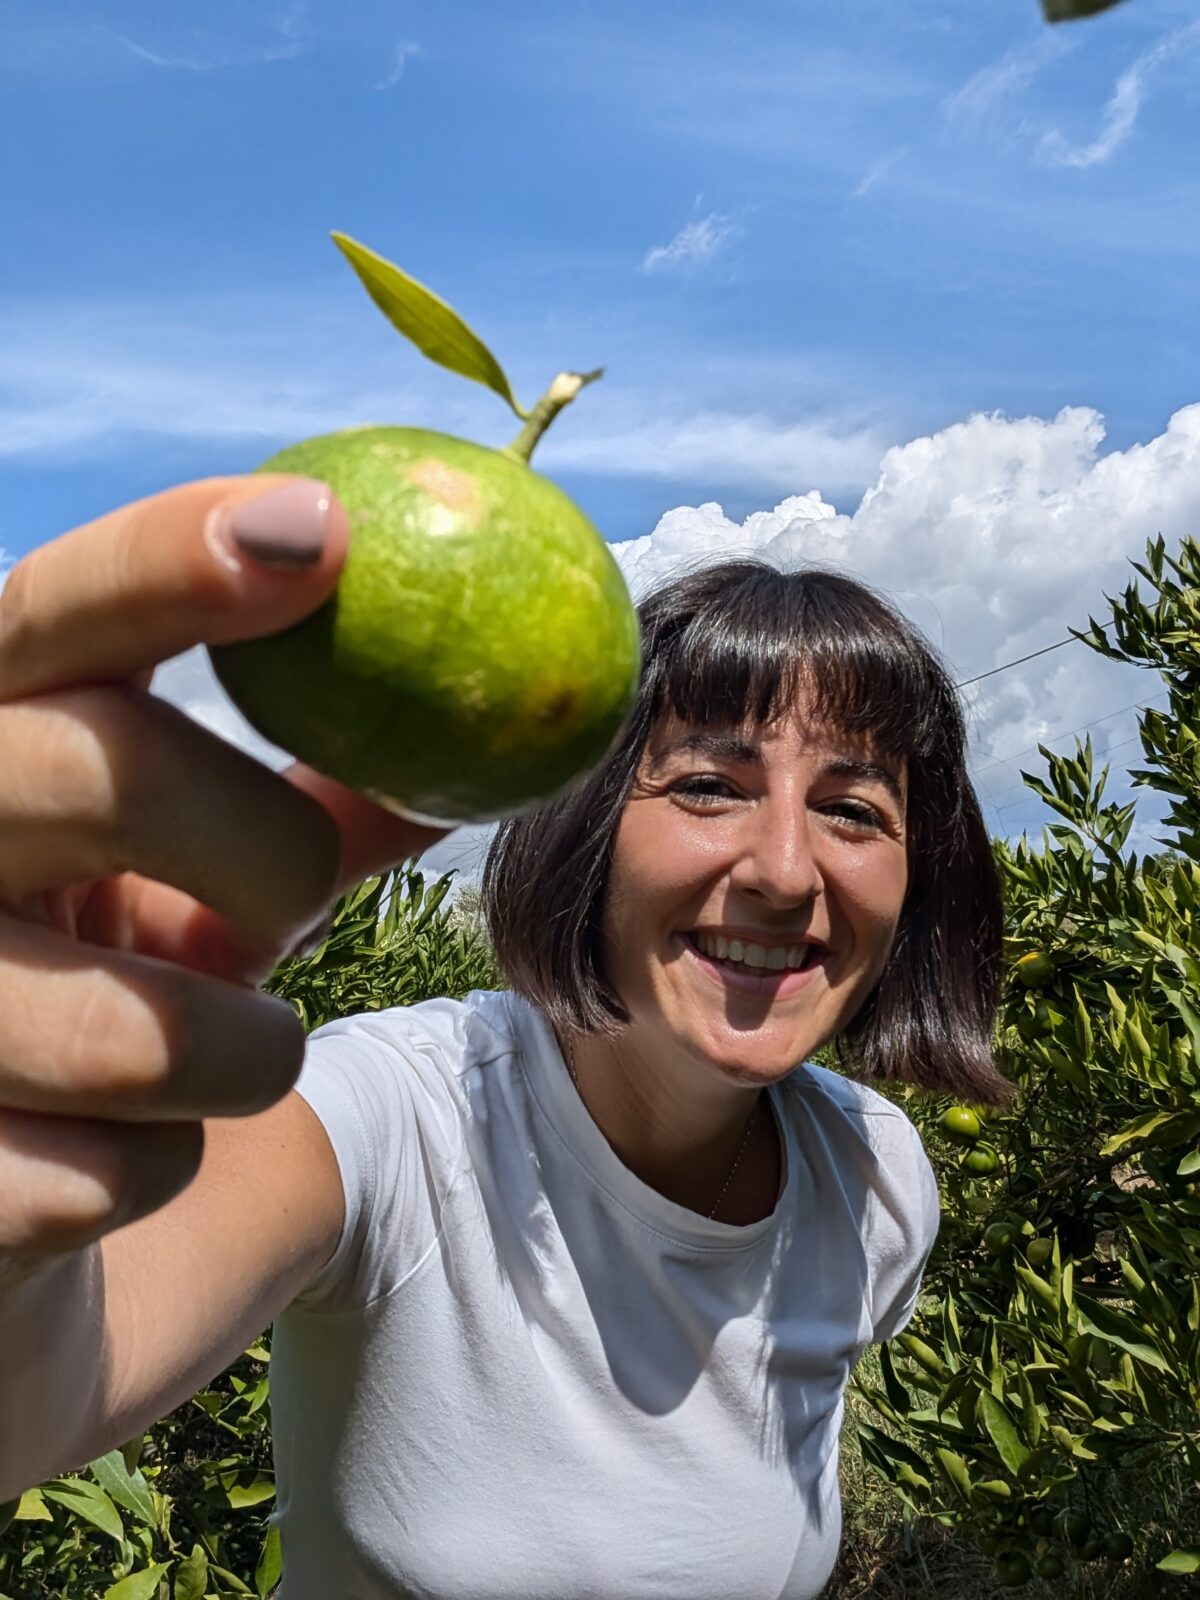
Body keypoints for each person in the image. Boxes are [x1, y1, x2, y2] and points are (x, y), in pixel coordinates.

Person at [0, 473, 1010, 1599]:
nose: (784, 867)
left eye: (853, 809)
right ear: (588, 830)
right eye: (710, 785)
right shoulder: (401, 1112)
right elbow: (45, 1392)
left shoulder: (873, 1185)